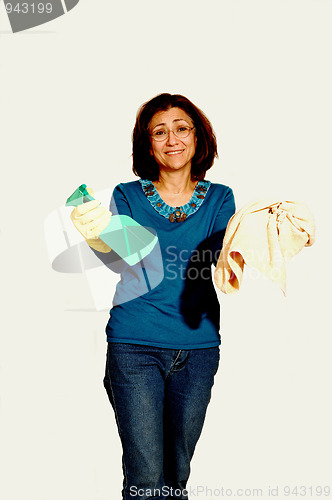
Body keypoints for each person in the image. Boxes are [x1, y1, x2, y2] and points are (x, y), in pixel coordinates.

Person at [70, 93, 236, 500]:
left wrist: (261, 238)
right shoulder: (126, 196)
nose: (172, 139)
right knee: (146, 477)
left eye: (182, 128)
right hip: (134, 345)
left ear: (198, 138)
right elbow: (124, 259)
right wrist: (98, 234)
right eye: (159, 132)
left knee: (176, 475)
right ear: (147, 144)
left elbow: (220, 262)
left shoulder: (220, 198)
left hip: (197, 349)